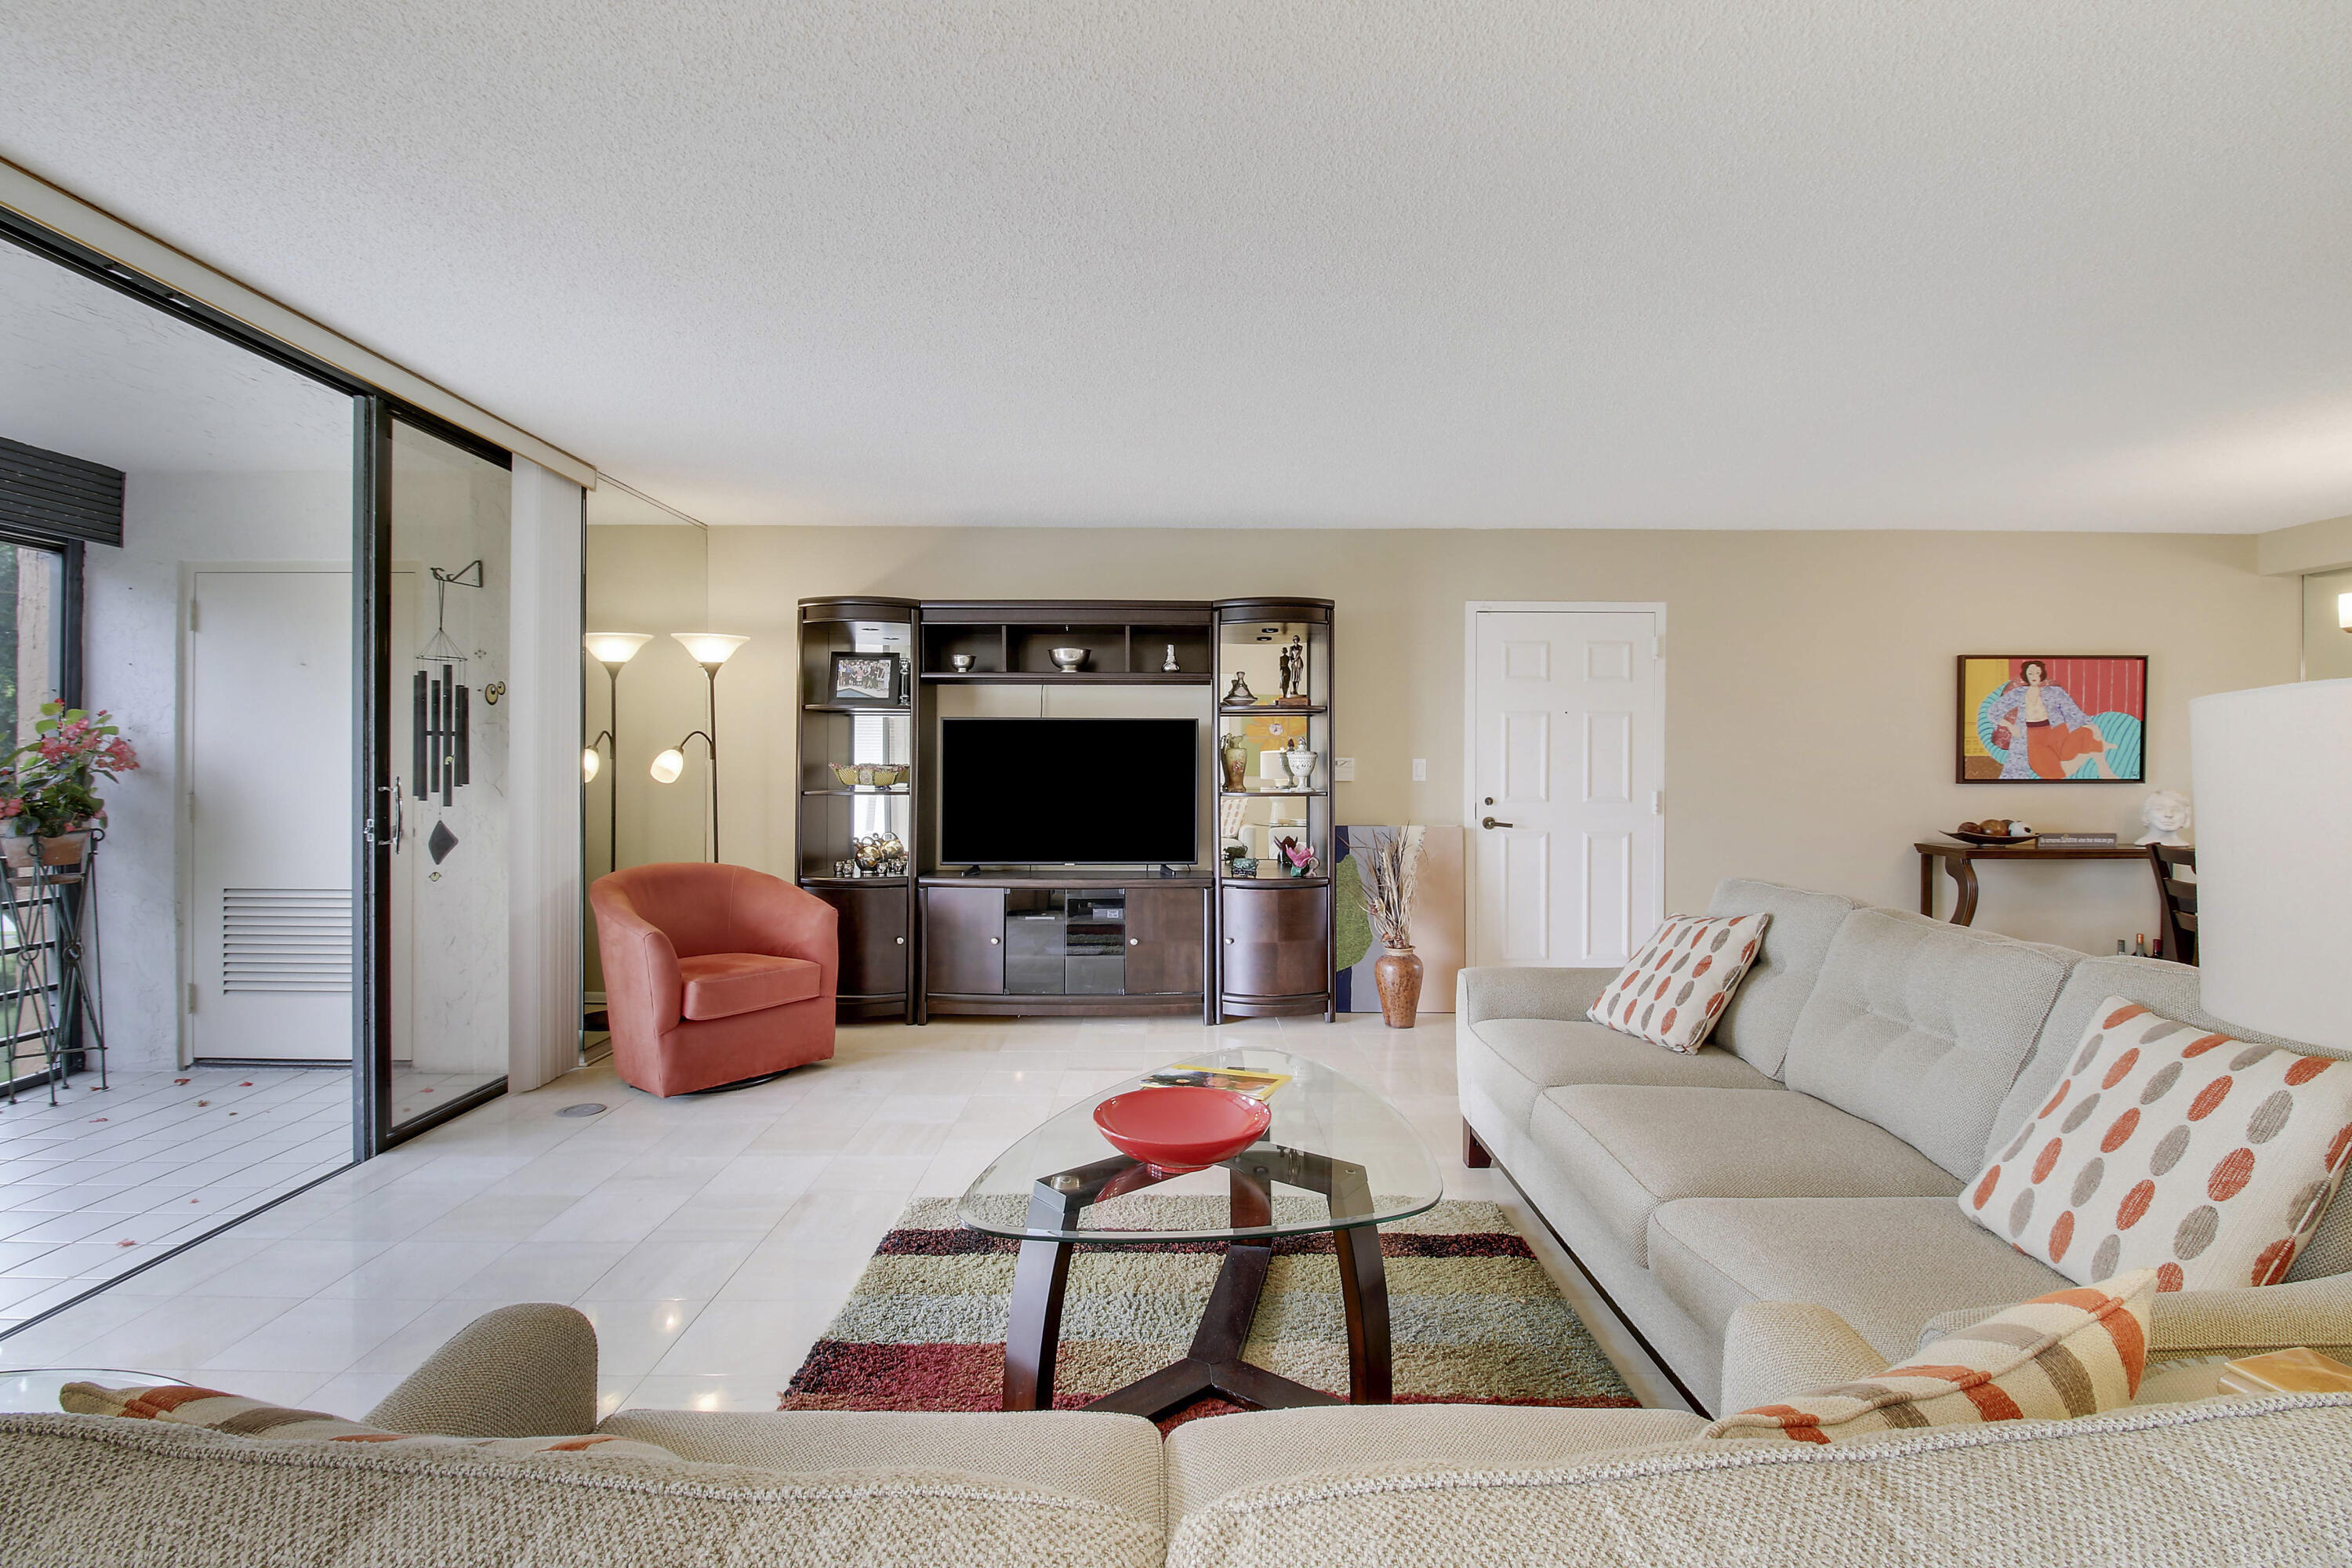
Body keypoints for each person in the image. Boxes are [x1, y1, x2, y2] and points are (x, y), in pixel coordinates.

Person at [1987, 659, 2114, 780]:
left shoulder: (2054, 692)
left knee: (2088, 732)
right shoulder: (2018, 693)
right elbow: (1993, 711)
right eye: (2030, 673)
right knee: (2052, 774)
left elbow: (2073, 711)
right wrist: (2010, 726)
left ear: (2042, 674)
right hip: (2032, 737)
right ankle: (2093, 750)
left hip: (2057, 732)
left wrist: (2094, 729)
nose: (2034, 676)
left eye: (2037, 672)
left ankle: (2104, 769)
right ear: (2025, 676)